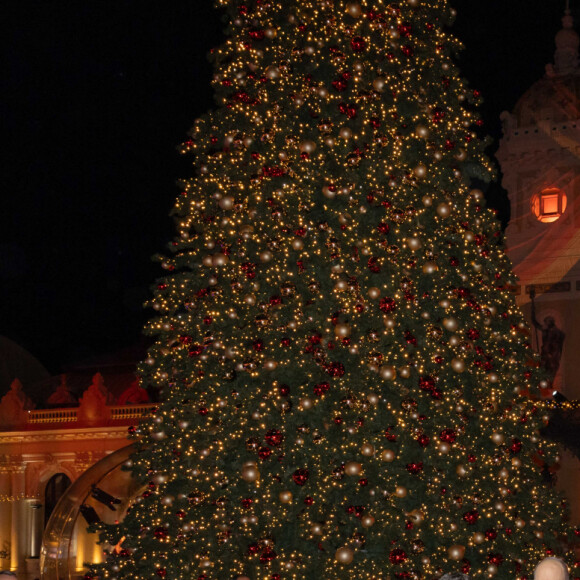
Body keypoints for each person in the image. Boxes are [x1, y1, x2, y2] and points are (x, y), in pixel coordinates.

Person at [530, 290, 565, 379]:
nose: (543, 325)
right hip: (546, 356)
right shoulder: (546, 330)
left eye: (545, 323)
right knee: (543, 374)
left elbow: (557, 346)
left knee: (549, 374)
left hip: (551, 357)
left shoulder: (557, 333)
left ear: (549, 324)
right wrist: (533, 306)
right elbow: (534, 322)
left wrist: (549, 353)